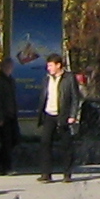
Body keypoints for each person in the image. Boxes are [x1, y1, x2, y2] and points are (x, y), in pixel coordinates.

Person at [39, 48, 80, 183]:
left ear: (58, 65)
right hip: (49, 114)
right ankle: (46, 174)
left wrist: (73, 115)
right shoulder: (47, 79)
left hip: (63, 114)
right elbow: (45, 96)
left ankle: (67, 173)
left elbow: (75, 97)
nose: (48, 68)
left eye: (50, 65)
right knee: (45, 143)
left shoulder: (69, 78)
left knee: (66, 145)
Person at [0, 55, 21, 174]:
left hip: (12, 115)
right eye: (8, 66)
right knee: (6, 142)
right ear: (3, 67)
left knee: (15, 139)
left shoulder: (11, 80)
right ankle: (7, 167)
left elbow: (12, 98)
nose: (10, 68)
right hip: (3, 116)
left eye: (11, 66)